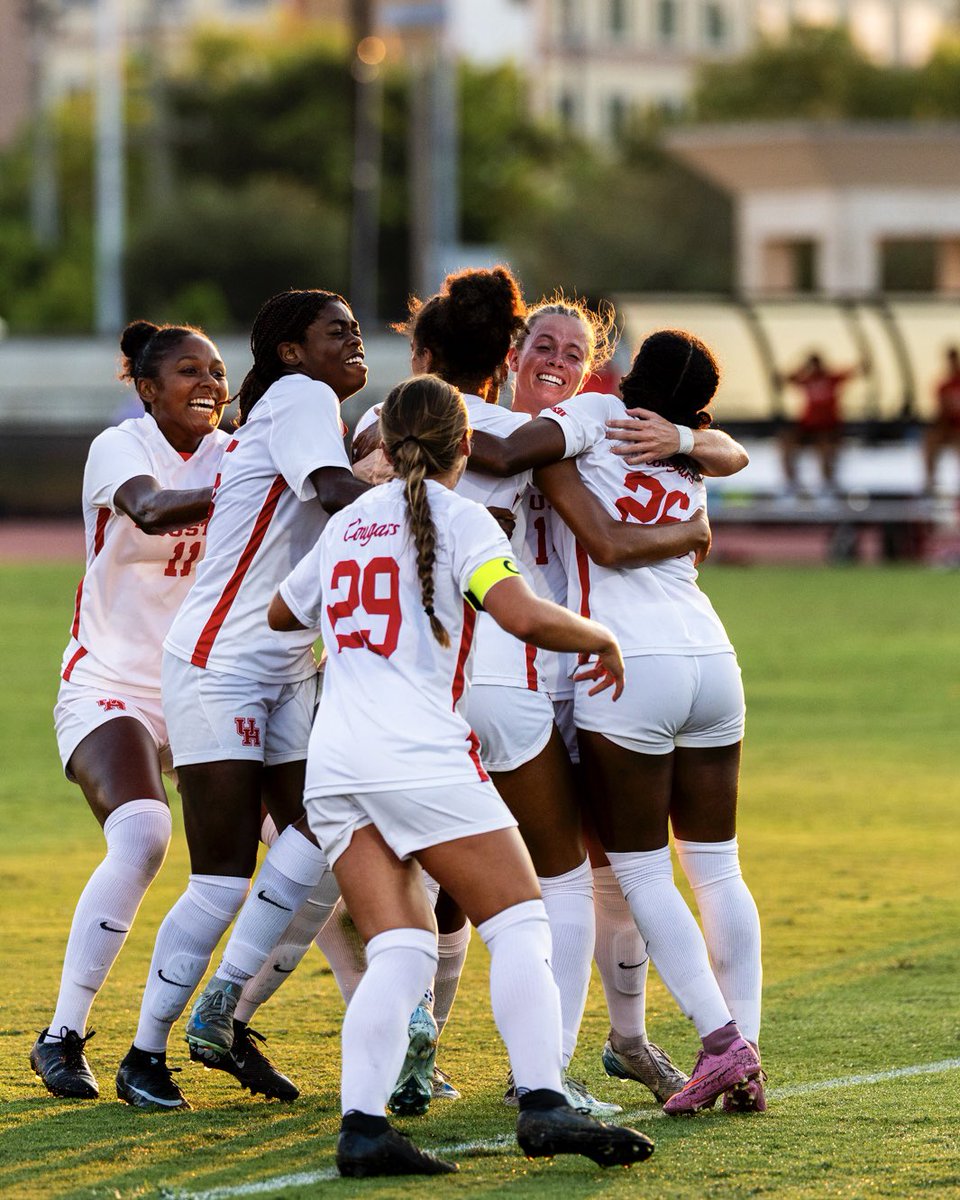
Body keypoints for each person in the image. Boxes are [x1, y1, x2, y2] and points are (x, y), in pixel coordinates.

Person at [269, 373, 656, 1177]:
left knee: (402, 947)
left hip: (336, 763)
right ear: (464, 447)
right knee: (520, 922)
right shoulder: (463, 517)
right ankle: (544, 1102)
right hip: (419, 756)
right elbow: (518, 614)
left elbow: (283, 611)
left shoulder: (348, 524)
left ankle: (364, 1129)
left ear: (383, 444)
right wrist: (601, 637)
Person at [354, 270, 710, 1117]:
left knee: (600, 871)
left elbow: (713, 452)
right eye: (541, 344)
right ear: (513, 353)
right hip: (501, 677)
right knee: (508, 881)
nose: (556, 359)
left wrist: (705, 454)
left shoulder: (583, 423)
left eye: (574, 352)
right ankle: (500, 1059)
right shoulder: (485, 424)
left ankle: (619, 1038)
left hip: (561, 679)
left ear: (594, 370)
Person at [469, 329, 765, 1115]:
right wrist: (697, 455)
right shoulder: (688, 453)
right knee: (719, 868)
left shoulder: (598, 415)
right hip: (712, 656)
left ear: (629, 376)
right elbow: (730, 464)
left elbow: (579, 522)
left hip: (624, 665)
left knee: (632, 874)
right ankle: (747, 1051)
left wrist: (419, 423)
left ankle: (720, 1043)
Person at [115, 289, 369, 1109]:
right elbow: (332, 490)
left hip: (286, 661)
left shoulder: (307, 402)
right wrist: (431, 509)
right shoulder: (302, 397)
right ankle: (143, 1054)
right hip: (221, 662)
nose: (355, 339)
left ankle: (223, 1009)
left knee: (322, 827)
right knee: (221, 879)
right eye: (338, 331)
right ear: (292, 352)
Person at [30, 320, 230, 1100]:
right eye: (189, 371)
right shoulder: (123, 446)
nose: (209, 383)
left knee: (299, 845)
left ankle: (237, 1021)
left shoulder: (233, 450)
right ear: (147, 388)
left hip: (202, 685)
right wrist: (244, 489)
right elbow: (148, 511)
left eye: (217, 370)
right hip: (107, 680)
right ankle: (62, 1037)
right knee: (145, 833)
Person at [779, 352, 863, 495]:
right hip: (808, 427)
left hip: (829, 427)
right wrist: (802, 368)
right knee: (786, 441)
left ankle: (827, 482)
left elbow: (855, 371)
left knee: (824, 446)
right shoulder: (806, 379)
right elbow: (784, 379)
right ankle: (791, 481)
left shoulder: (832, 379)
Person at [923, 346, 960, 493]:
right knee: (930, 441)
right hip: (948, 429)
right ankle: (930, 484)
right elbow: (940, 413)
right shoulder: (943, 386)